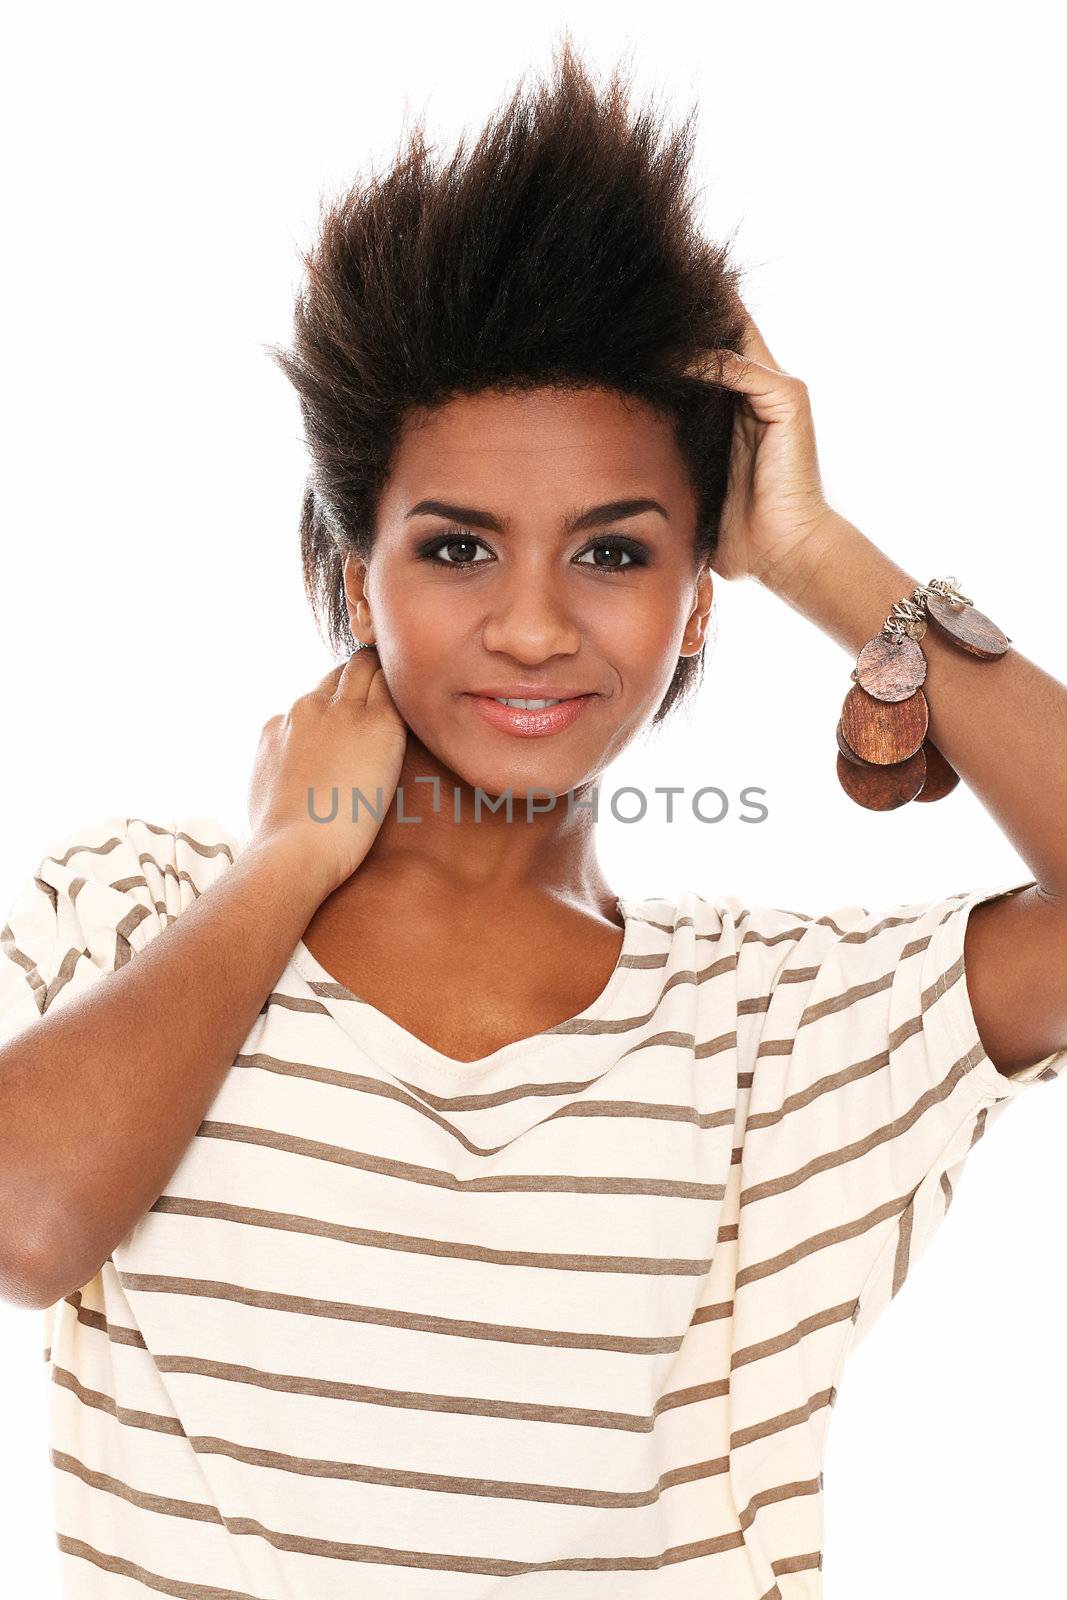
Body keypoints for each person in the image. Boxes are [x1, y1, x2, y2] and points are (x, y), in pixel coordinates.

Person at [1, 34, 1065, 1600]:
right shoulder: (133, 910)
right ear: (353, 575)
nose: (534, 627)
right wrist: (289, 857)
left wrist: (828, 560)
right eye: (456, 549)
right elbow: (27, 1223)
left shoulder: (782, 1024)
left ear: (702, 601)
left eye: (618, 555)